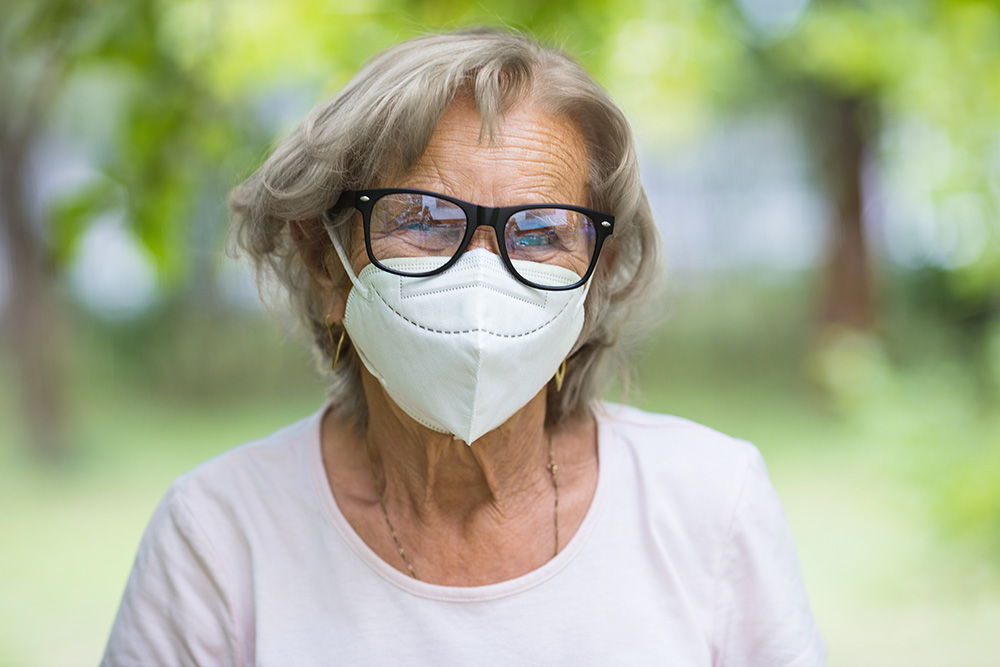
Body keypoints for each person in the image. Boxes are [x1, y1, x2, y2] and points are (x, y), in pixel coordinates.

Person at [101, 28, 826, 666]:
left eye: (542, 232)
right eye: (422, 218)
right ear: (327, 262)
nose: (483, 273)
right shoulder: (219, 533)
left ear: (594, 278)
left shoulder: (710, 500)